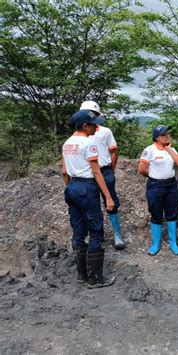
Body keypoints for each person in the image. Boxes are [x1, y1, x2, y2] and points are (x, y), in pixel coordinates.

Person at [62, 110, 115, 288]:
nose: (96, 127)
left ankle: (82, 275)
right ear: (85, 126)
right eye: (93, 124)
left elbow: (64, 172)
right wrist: (108, 196)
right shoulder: (88, 143)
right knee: (95, 231)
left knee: (78, 231)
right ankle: (95, 278)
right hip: (87, 188)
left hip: (72, 187)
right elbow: (96, 171)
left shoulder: (67, 144)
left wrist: (69, 188)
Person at [79, 101, 124, 250]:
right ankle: (97, 233)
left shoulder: (105, 131)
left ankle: (117, 234)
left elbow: (113, 151)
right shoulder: (79, 135)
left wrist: (111, 168)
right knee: (92, 204)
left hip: (104, 170)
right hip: (87, 174)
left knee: (111, 201)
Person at [138, 125, 178, 256]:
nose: (168, 136)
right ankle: (155, 244)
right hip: (155, 186)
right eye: (164, 134)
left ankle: (173, 243)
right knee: (156, 214)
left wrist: (169, 149)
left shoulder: (171, 149)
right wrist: (153, 176)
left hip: (171, 185)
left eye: (169, 133)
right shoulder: (149, 150)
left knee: (172, 214)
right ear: (157, 137)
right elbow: (142, 169)